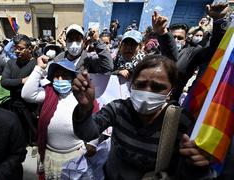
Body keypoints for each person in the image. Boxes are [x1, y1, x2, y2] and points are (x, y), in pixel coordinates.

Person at [71, 55, 212, 179]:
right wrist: (85, 108)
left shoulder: (180, 122)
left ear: (171, 90)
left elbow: (190, 172)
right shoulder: (118, 108)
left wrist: (196, 166)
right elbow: (86, 133)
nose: (147, 92)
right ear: (132, 84)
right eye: (141, 84)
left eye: (157, 87)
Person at [21, 57, 98, 179]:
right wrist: (39, 68)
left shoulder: (82, 97)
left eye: (65, 76)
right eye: (56, 76)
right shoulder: (49, 93)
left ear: (73, 79)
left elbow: (95, 118)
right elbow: (26, 94)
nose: (60, 79)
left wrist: (92, 143)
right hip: (51, 156)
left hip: (76, 156)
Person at [153, 3, 229, 101]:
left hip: (168, 105)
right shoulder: (153, 55)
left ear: (185, 40)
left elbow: (214, 50)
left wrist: (219, 20)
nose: (176, 40)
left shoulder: (191, 54)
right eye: (173, 37)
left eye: (180, 38)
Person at [0, 34, 38, 145]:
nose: (17, 51)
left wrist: (14, 84)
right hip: (14, 105)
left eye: (20, 48)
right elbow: (4, 82)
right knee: (18, 131)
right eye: (15, 48)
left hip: (31, 107)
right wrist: (21, 81)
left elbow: (33, 86)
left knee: (34, 131)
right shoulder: (11, 63)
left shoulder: (36, 65)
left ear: (29, 49)